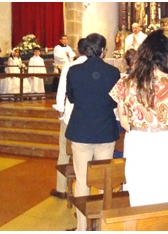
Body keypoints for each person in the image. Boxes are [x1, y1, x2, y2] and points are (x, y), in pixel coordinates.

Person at [109, 30, 168, 207]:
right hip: (167, 140)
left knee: (139, 195)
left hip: (137, 142)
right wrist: (165, 135)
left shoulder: (125, 82)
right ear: (166, 56)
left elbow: (123, 121)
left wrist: (143, 133)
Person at [66, 33, 120, 230]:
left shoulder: (74, 71)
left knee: (82, 180)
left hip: (81, 129)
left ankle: (82, 227)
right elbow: (115, 101)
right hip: (104, 130)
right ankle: (102, 225)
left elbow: (71, 98)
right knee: (104, 180)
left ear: (86, 49)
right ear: (103, 50)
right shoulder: (113, 72)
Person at [51, 38, 88, 201]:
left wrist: (60, 109)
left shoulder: (69, 66)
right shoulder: (96, 67)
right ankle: (84, 188)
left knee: (64, 152)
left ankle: (61, 188)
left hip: (69, 116)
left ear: (78, 50)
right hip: (87, 117)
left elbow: (62, 91)